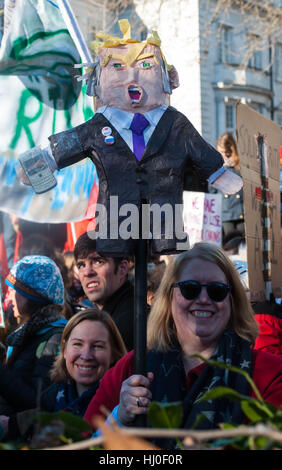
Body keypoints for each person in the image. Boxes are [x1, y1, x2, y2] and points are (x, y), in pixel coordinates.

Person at [18, 19, 242, 257]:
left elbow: (199, 150)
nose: (132, 76)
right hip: (115, 218)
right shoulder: (98, 126)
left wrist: (220, 175)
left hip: (164, 218)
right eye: (117, 67)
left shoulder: (175, 123)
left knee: (163, 234)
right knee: (115, 238)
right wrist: (40, 163)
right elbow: (72, 141)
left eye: (146, 66)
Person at [83, 242, 282, 448]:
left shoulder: (268, 373)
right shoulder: (133, 368)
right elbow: (79, 442)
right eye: (190, 289)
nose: (204, 299)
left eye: (216, 291)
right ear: (169, 298)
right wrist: (119, 418)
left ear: (233, 301)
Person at [1, 308, 127, 441]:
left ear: (113, 353)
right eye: (78, 344)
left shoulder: (123, 403)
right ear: (64, 349)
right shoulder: (52, 395)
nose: (86, 355)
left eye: (97, 346)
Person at [0, 255, 67, 416]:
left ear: (31, 295)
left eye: (13, 290)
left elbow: (38, 401)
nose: (9, 298)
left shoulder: (55, 337)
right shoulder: (26, 330)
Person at [73, 232, 135, 351]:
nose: (87, 272)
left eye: (98, 261)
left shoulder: (132, 320)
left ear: (122, 268)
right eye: (81, 265)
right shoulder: (108, 318)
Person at [214, 132, 245, 238]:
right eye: (221, 151)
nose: (223, 155)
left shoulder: (240, 165)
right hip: (226, 213)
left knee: (242, 245)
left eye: (226, 152)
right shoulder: (215, 166)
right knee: (230, 246)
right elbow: (212, 191)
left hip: (241, 212)